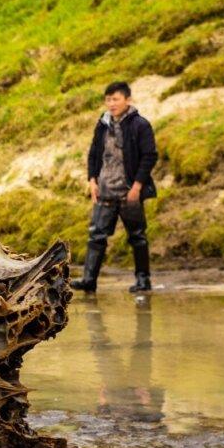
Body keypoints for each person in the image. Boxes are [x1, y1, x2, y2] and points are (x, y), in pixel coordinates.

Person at [70, 81, 158, 293]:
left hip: (129, 191)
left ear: (127, 100)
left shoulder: (140, 125)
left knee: (137, 236)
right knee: (96, 236)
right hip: (105, 191)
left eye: (115, 99)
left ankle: (143, 280)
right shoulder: (102, 124)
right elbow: (93, 154)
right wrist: (92, 181)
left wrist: (137, 186)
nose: (111, 104)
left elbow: (149, 156)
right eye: (108, 99)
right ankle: (89, 279)